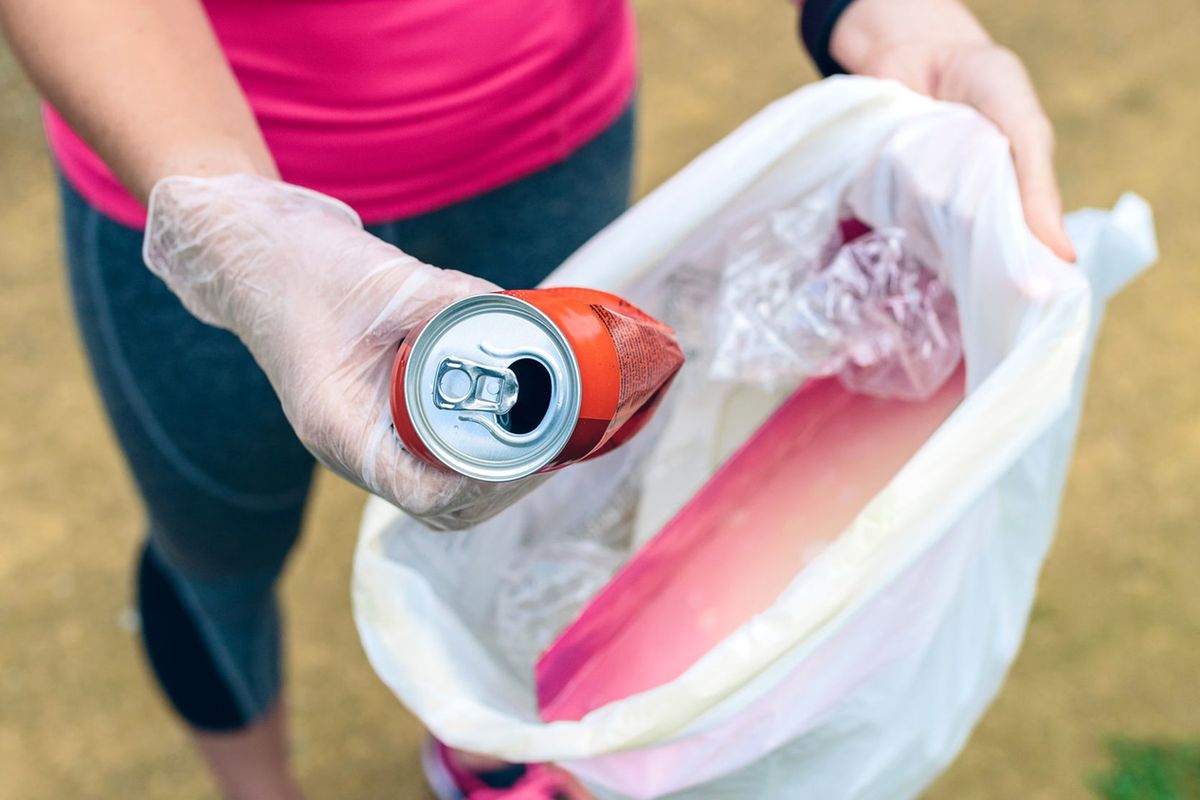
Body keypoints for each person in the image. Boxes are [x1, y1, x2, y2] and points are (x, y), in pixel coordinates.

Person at [0, 0, 1076, 797]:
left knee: (546, 497)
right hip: (198, 166)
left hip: (545, 137)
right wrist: (233, 220)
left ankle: (490, 746)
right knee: (217, 554)